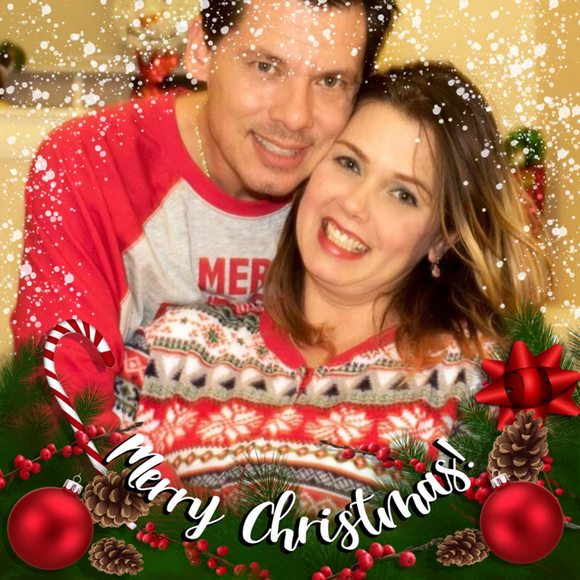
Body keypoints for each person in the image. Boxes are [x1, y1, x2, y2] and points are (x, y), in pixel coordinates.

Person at [119, 61, 549, 512]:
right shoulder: (168, 348)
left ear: (442, 238)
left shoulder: (477, 386)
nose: (354, 204)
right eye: (348, 163)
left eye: (403, 194)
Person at [9, 1, 397, 427]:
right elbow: (63, 407)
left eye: (330, 81)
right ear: (200, 51)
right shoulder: (89, 162)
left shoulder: (371, 193)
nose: (294, 116)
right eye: (266, 67)